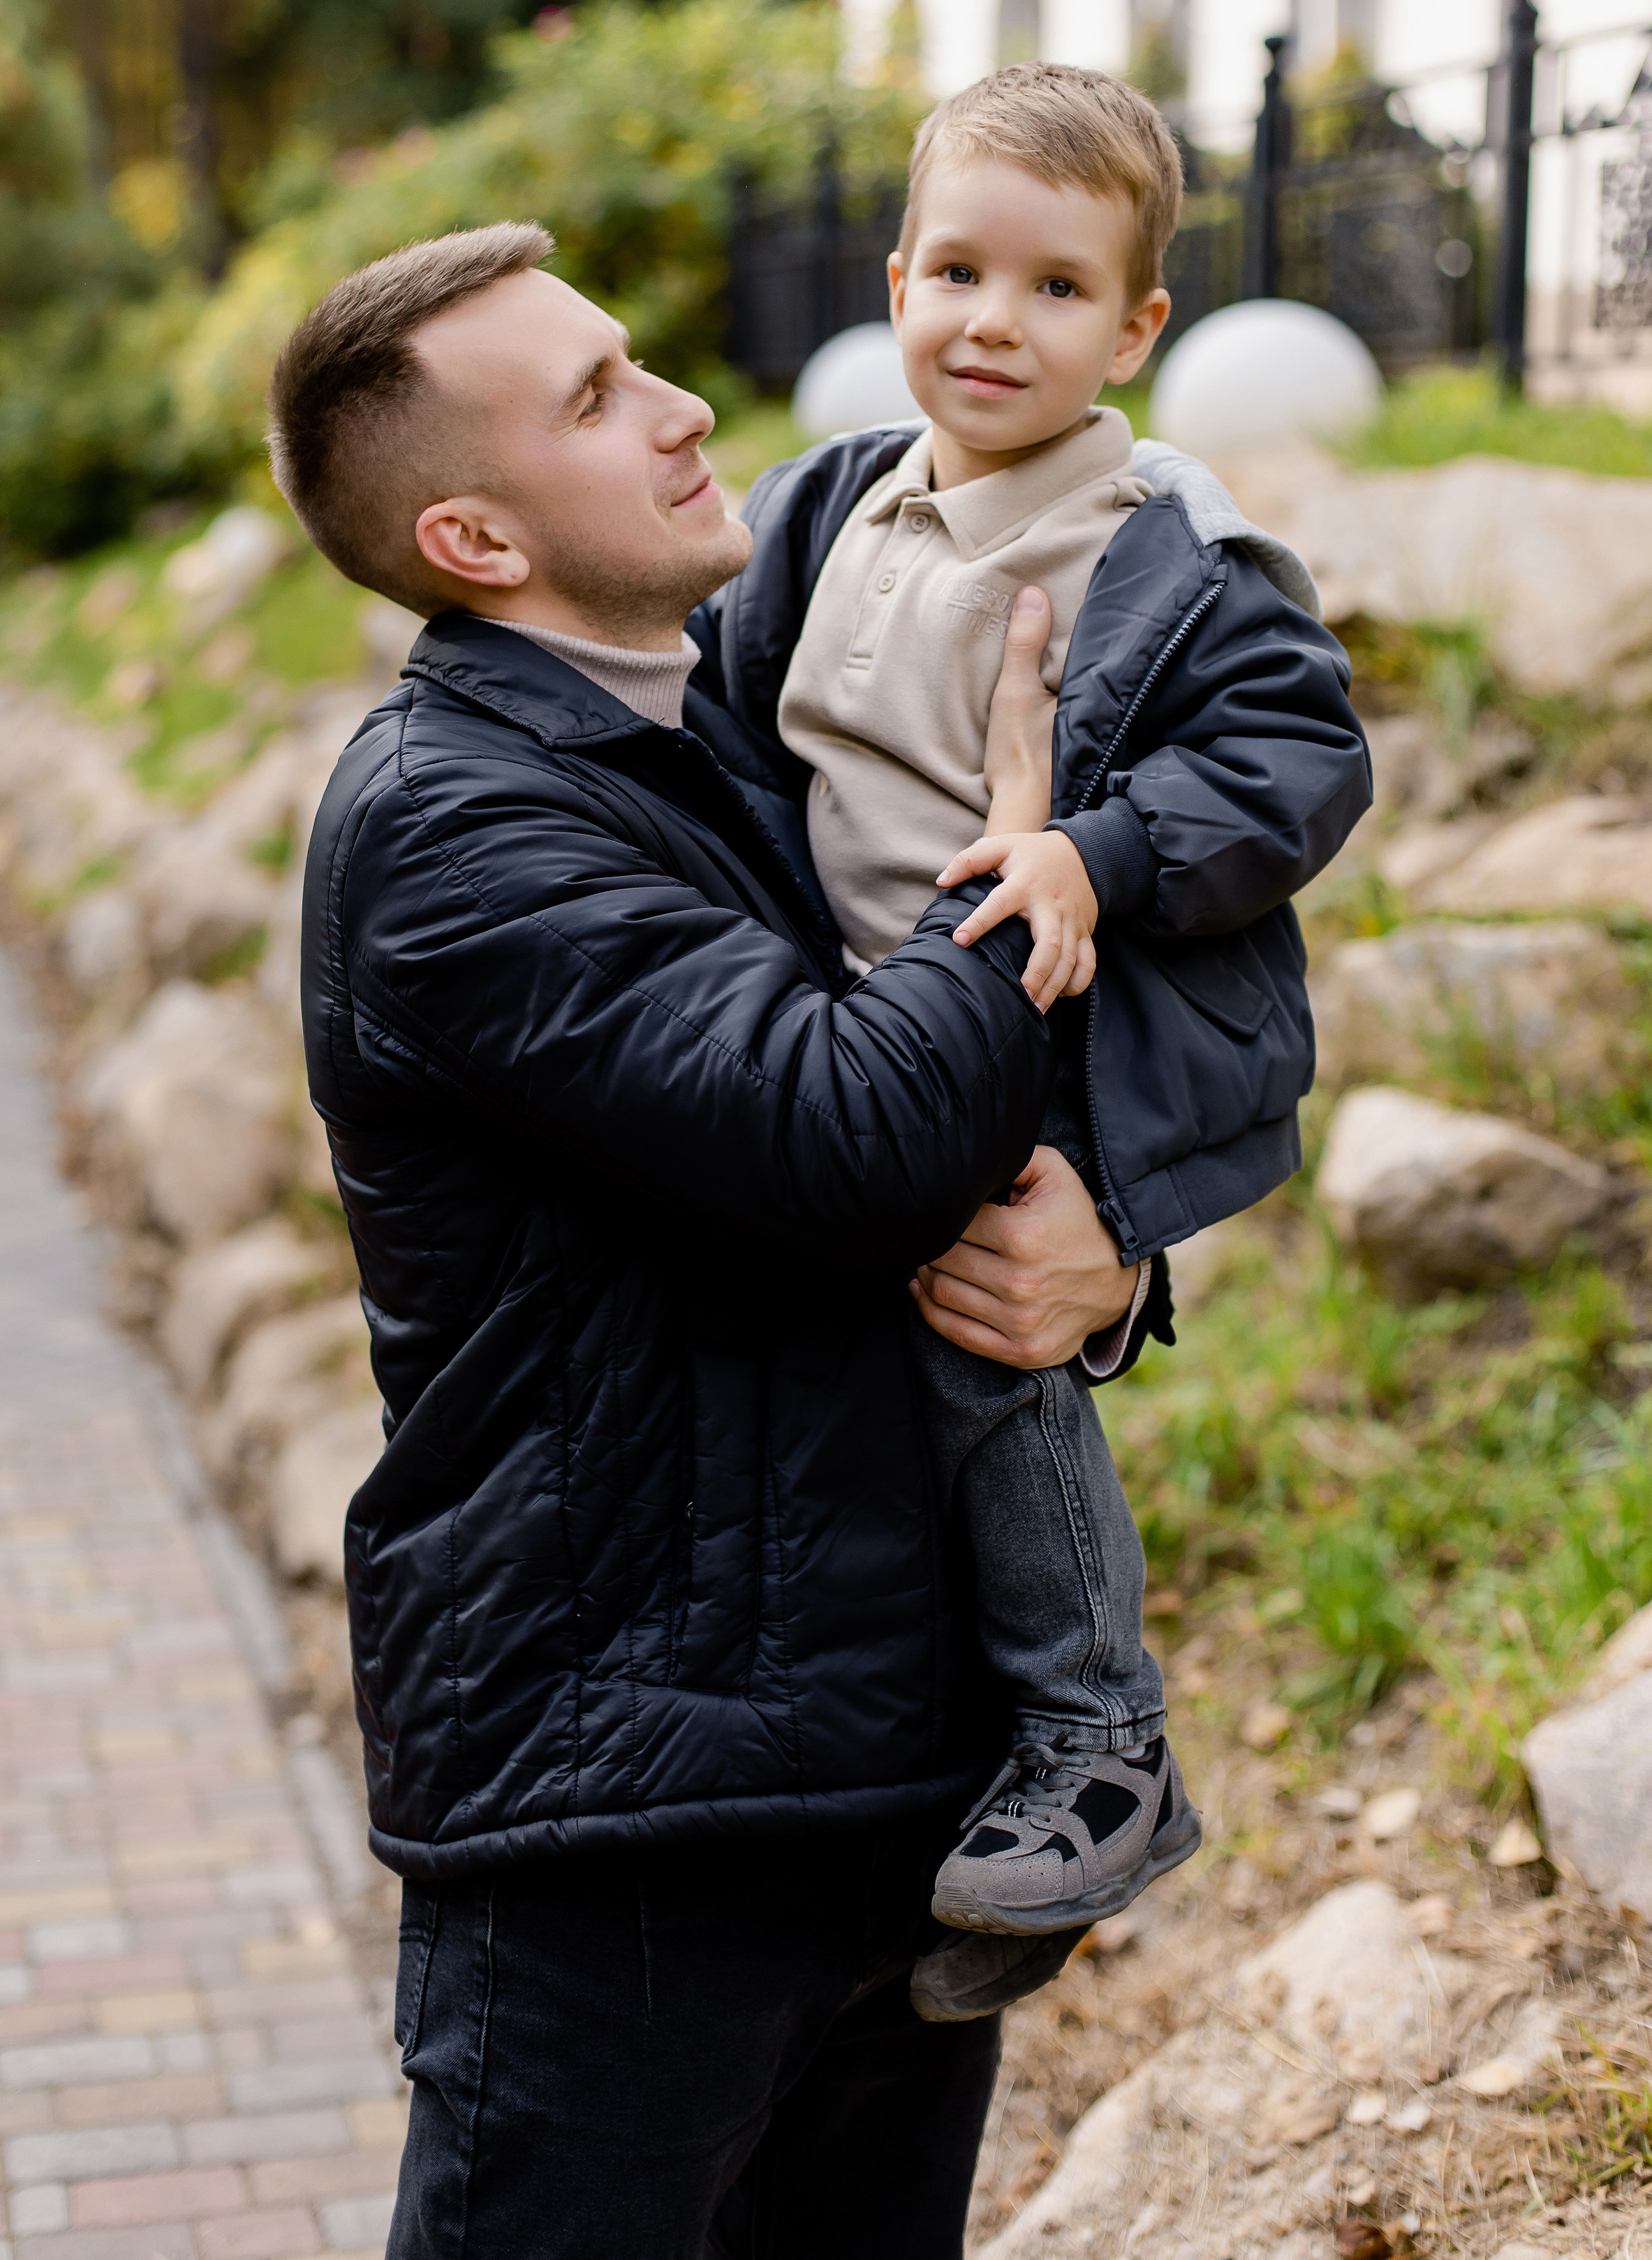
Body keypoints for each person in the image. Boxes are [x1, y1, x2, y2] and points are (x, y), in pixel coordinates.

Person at [269, 221, 1165, 2260]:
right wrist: (1019, 843)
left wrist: (1109, 1267)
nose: (684, 409)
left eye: (636, 357)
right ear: (478, 539)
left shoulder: (720, 742)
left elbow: (932, 1171)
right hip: (630, 1828)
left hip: (881, 1781)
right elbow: (852, 1138)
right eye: (596, 399)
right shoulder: (453, 824)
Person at [715, 62, 1371, 1951]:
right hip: (847, 1027)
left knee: (980, 1343)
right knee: (858, 1374)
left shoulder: (1158, 541)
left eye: (1059, 289)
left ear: (1141, 328)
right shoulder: (829, 505)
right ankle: (963, 1787)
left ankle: (1101, 1739)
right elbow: (715, 720)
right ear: (897, 277)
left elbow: (1295, 758)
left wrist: (1098, 846)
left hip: (1052, 1024)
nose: (995, 323)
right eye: (958, 273)